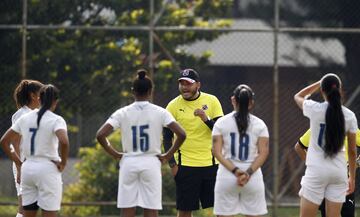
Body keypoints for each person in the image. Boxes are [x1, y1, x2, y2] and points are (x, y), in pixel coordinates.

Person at [96, 69, 186, 217]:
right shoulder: (160, 112)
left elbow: (100, 135)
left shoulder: (122, 112)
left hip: (129, 161)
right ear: (151, 91)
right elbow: (181, 134)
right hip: (151, 162)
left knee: (127, 209)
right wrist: (167, 155)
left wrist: (115, 154)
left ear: (133, 91)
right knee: (151, 209)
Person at [294, 73, 357, 217]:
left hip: (317, 171)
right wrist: (352, 177)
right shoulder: (349, 116)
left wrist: (319, 83)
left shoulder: (314, 109)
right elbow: (352, 151)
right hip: (339, 172)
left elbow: (298, 96)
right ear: (340, 91)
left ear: (322, 90)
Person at [1, 84, 69, 217]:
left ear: (40, 98)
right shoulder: (56, 119)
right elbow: (64, 141)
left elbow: (4, 141)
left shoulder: (25, 118)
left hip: (28, 168)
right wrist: (63, 163)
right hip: (47, 168)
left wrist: (20, 164)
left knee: (26, 213)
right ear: (55, 101)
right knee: (49, 213)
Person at [163, 68, 224, 217]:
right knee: (184, 211)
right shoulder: (172, 106)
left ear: (198, 85)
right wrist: (172, 165)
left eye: (188, 83)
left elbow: (222, 132)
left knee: (222, 209)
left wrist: (206, 119)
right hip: (185, 166)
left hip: (211, 164)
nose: (184, 87)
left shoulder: (212, 101)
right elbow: (166, 138)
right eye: (181, 83)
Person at [212, 84, 269, 217]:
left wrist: (236, 171)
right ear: (251, 103)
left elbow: (217, 152)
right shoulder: (260, 124)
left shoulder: (221, 123)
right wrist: (247, 173)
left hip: (227, 175)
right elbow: (263, 153)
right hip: (252, 177)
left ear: (233, 100)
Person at [294, 128, 360, 217]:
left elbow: (352, 151)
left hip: (343, 180)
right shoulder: (317, 126)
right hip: (325, 182)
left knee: (347, 213)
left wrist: (356, 164)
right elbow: (299, 147)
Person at [11, 79, 44, 217]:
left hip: (36, 165)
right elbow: (14, 143)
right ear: (33, 95)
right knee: (24, 208)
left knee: (33, 208)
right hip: (24, 165)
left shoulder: (38, 113)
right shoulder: (21, 114)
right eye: (42, 93)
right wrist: (19, 168)